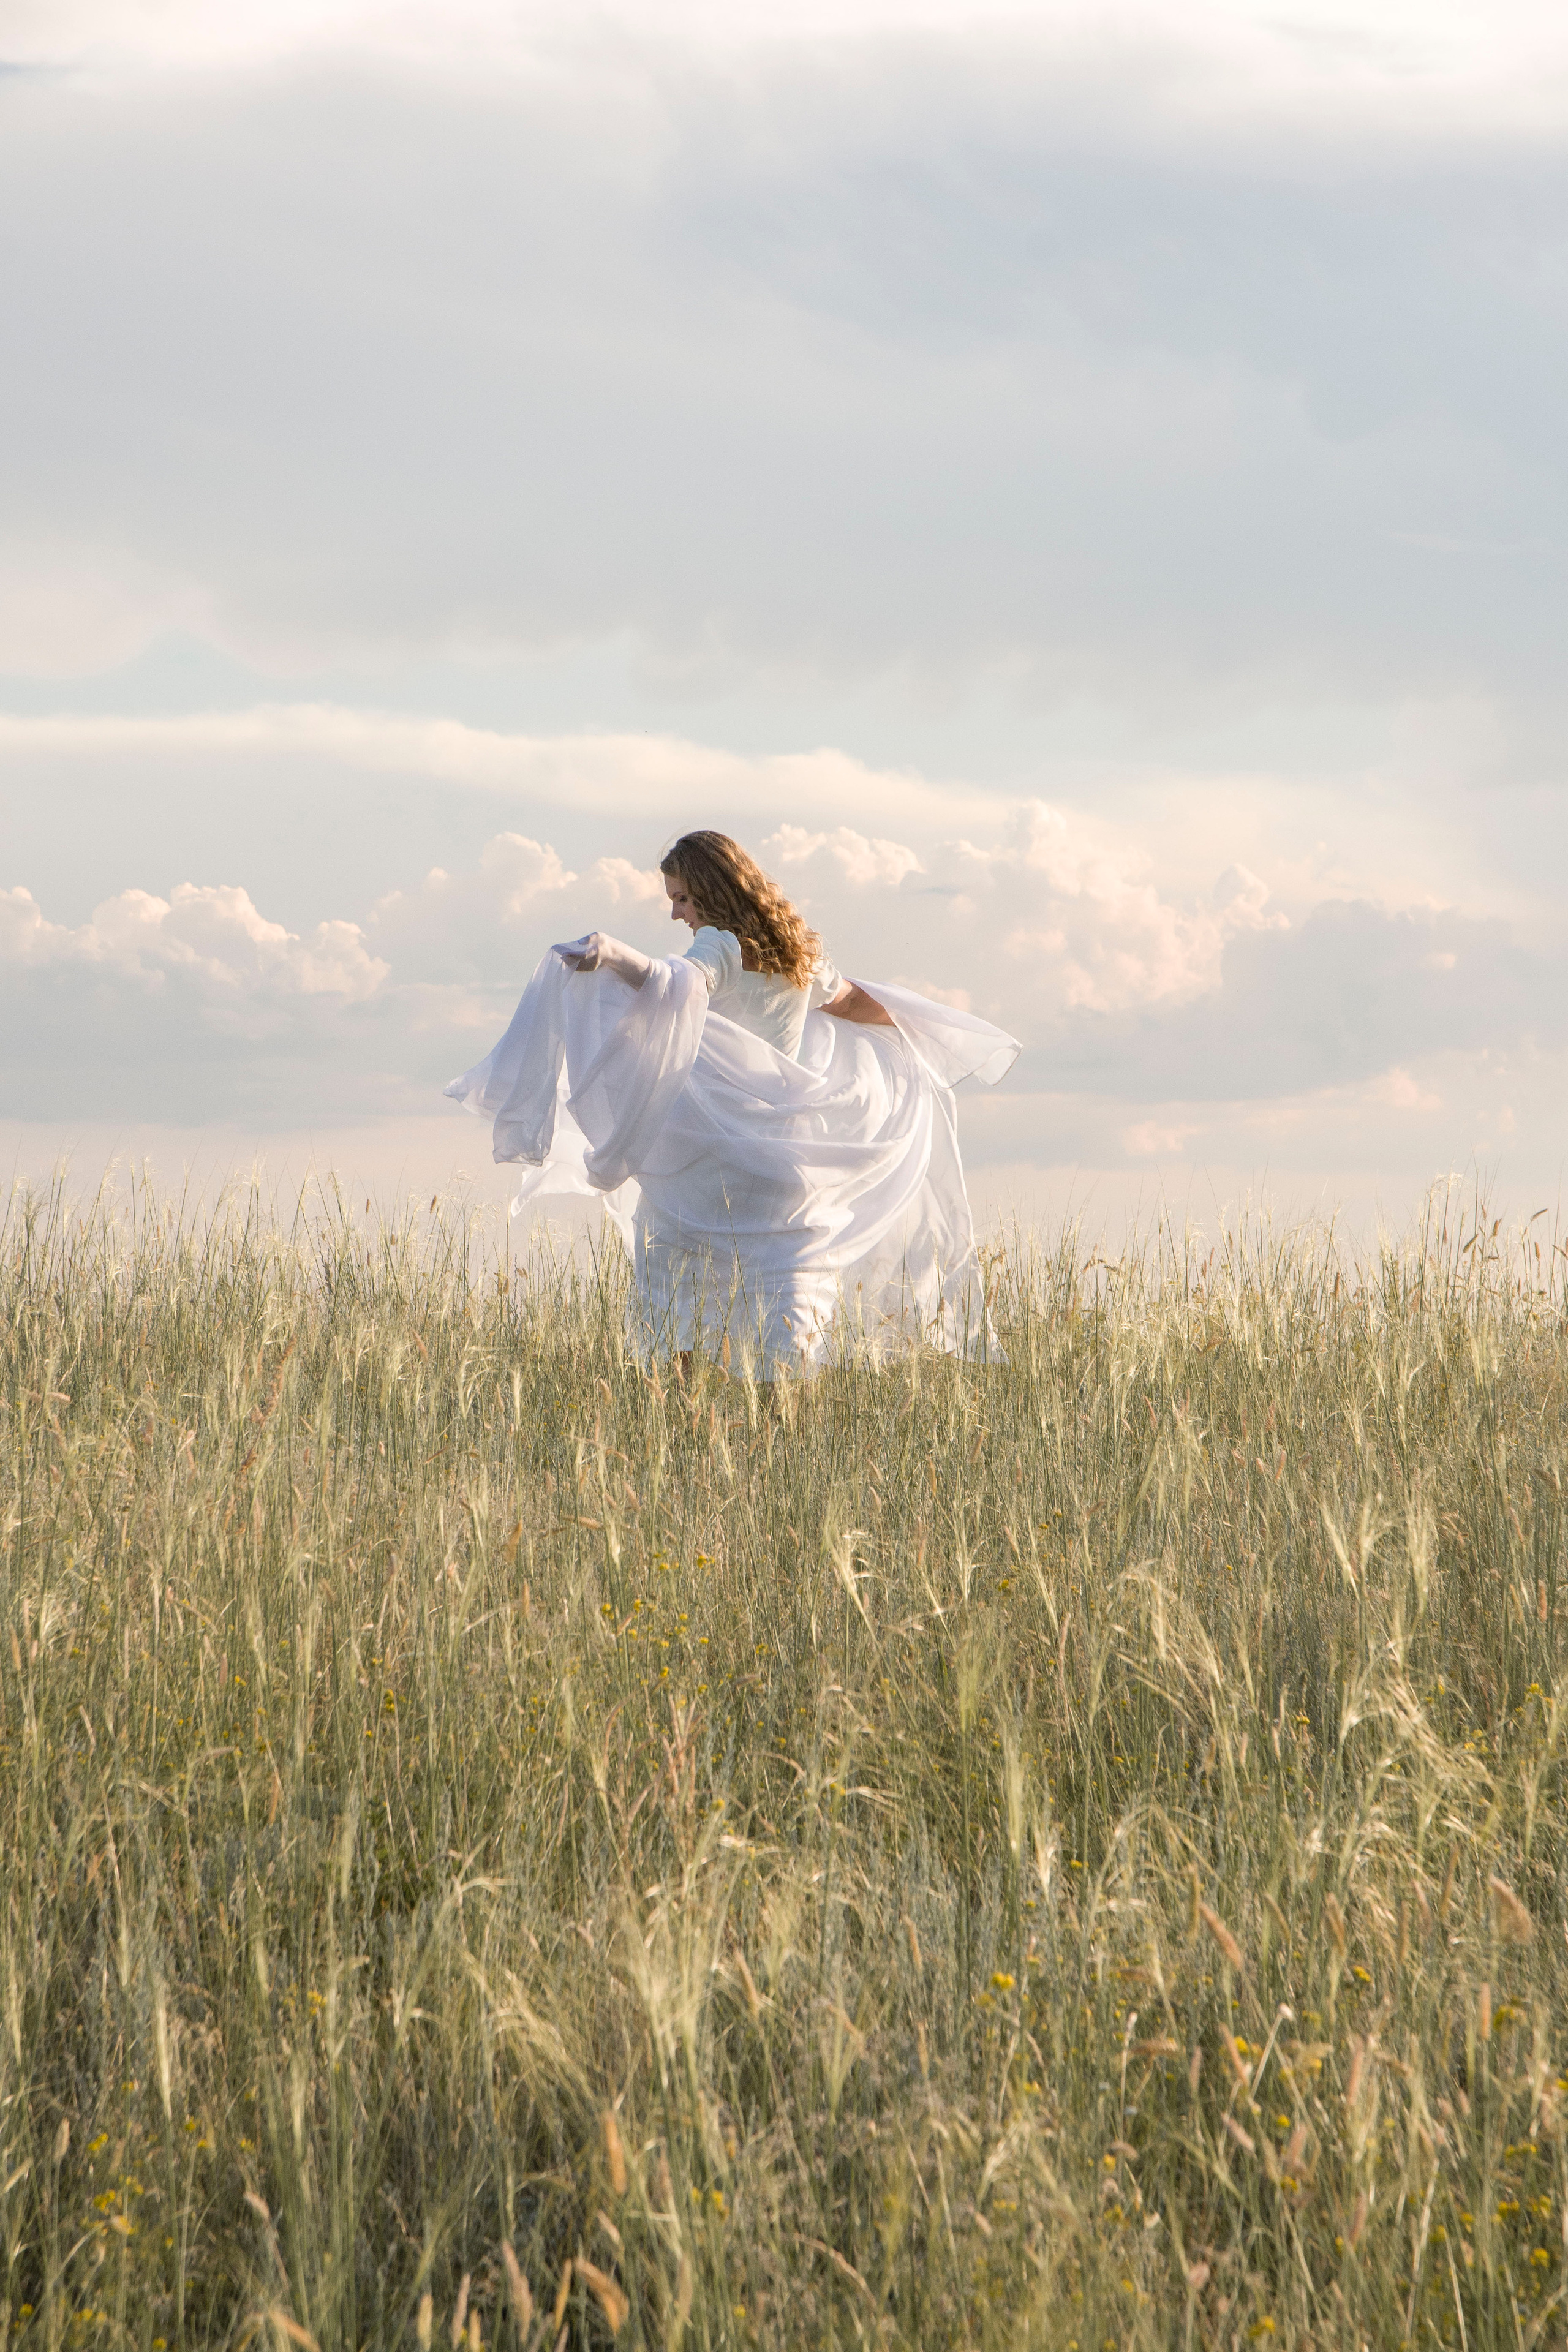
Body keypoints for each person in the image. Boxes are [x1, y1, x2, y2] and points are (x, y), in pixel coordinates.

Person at [446, 829, 1019, 1376]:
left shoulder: (717, 944)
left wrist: (613, 954)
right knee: (787, 1310)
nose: (676, 913)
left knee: (675, 1304)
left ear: (712, 892)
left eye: (683, 898)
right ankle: (777, 1449)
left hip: (709, 1162)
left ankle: (683, 1436)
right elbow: (851, 1004)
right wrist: (926, 1032)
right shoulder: (800, 955)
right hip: (787, 1168)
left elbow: (676, 983)